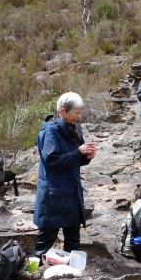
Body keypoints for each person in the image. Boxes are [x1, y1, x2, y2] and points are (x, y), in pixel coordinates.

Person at [33, 92, 97, 258]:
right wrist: (78, 152)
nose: (79, 116)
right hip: (53, 194)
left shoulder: (75, 128)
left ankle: (73, 277)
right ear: (62, 111)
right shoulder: (50, 132)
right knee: (45, 241)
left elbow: (76, 159)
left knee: (74, 241)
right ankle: (33, 274)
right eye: (76, 112)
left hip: (72, 191)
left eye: (79, 112)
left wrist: (87, 156)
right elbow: (51, 162)